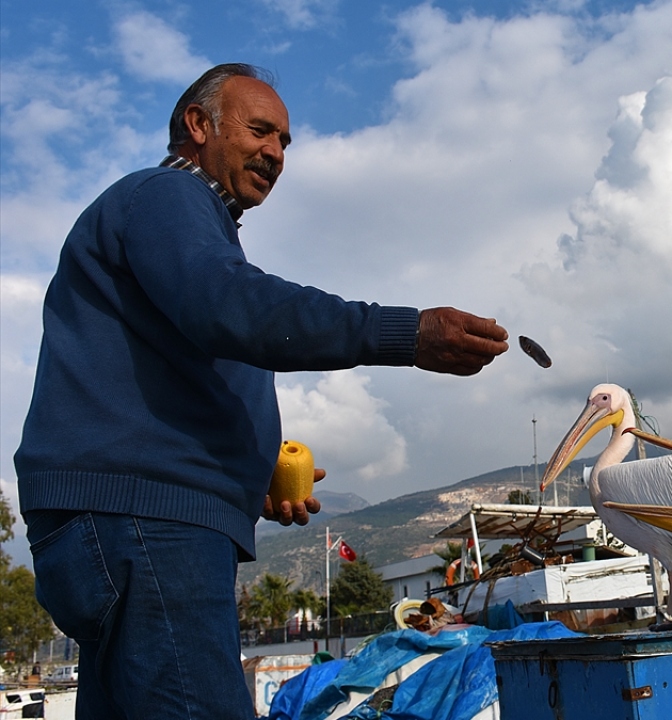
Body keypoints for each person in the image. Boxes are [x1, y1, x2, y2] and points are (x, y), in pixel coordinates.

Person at [14, 63, 509, 718]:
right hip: (149, 526)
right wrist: (407, 335)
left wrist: (249, 476)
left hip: (125, 523)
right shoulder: (167, 199)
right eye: (260, 131)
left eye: (284, 143)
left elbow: (185, 353)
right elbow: (233, 309)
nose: (275, 153)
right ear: (197, 125)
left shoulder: (183, 229)